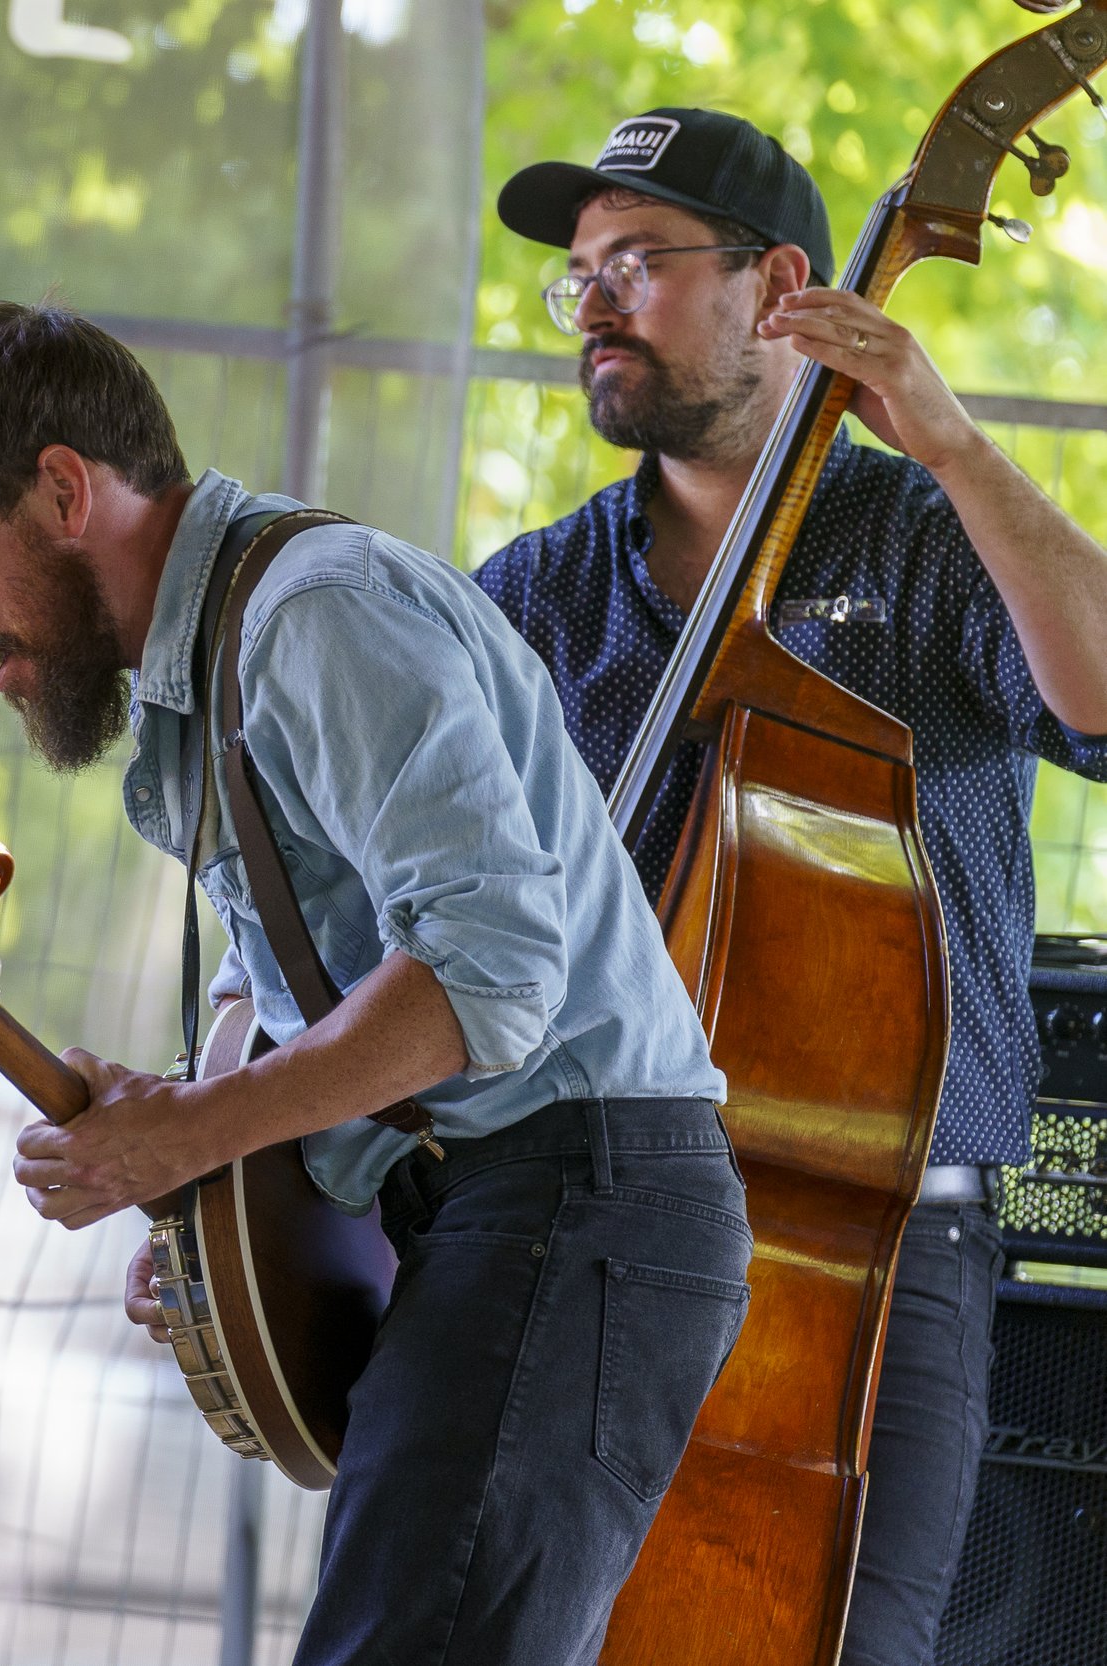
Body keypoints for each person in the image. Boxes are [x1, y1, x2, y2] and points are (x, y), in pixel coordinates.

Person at [0, 300, 749, 1665]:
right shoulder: (209, 658)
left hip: (581, 1199)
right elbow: (305, 997)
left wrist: (204, 1128)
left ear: (63, 489)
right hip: (514, 1207)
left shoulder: (313, 616)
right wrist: (208, 1189)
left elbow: (491, 972)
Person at [479, 108, 1107, 1666]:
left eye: (638, 263)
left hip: (879, 1258)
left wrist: (950, 443)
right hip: (592, 1235)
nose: (596, 305)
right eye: (580, 277)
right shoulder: (533, 595)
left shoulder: (922, 544)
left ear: (780, 287)